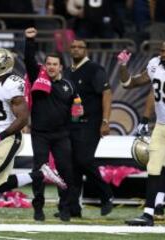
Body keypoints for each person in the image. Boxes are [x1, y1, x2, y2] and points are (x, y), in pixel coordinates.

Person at [0, 47, 67, 234]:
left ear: (4, 66)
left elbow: (23, 119)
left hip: (10, 137)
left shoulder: (12, 85)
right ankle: (40, 175)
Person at [118, 42, 165, 226]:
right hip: (161, 126)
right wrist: (123, 66)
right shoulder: (154, 64)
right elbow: (128, 84)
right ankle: (149, 214)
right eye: (162, 51)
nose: (164, 54)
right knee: (153, 168)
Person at [24, 27, 82, 222]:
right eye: (48, 64)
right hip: (39, 134)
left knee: (66, 171)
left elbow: (76, 111)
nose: (50, 67)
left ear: (60, 67)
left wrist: (77, 120)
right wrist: (30, 41)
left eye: (54, 64)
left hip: (62, 135)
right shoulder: (37, 79)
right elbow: (29, 61)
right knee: (39, 172)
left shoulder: (69, 86)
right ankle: (38, 207)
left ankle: (64, 208)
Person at [60, 39, 114, 218]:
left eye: (80, 47)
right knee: (73, 166)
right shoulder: (67, 72)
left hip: (91, 123)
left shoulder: (95, 69)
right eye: (73, 47)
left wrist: (105, 121)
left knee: (83, 160)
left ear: (86, 50)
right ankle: (73, 207)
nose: (76, 50)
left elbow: (106, 93)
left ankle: (106, 193)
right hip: (71, 124)